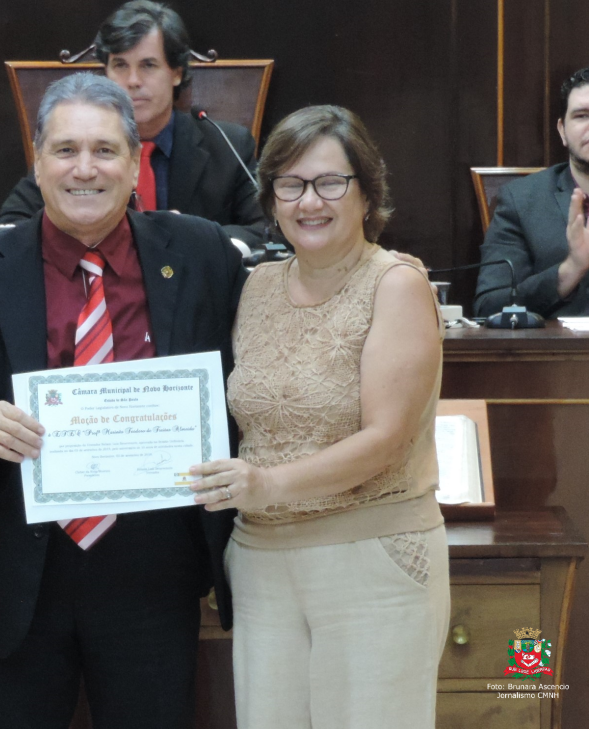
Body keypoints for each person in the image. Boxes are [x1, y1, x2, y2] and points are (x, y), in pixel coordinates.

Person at [0, 72, 246, 729]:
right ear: (36, 163)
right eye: (65, 150)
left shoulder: (205, 255)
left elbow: (246, 376)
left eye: (104, 150)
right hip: (19, 577)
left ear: (134, 163)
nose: (84, 169)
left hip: (154, 572)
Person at [190, 106, 450, 729]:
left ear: (366, 193)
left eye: (331, 182)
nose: (311, 201)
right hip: (260, 564)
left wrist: (266, 484)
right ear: (271, 198)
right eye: (291, 183)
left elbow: (385, 440)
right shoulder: (253, 287)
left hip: (371, 559)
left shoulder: (396, 284)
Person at [0, 0, 275, 254]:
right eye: (120, 65)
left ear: (176, 72)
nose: (132, 81)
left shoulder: (227, 144)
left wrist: (201, 242)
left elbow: (268, 227)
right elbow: (8, 227)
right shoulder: (73, 147)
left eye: (148, 65)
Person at [474, 67, 589, 317]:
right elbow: (489, 306)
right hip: (558, 354)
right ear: (562, 130)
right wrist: (571, 269)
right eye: (582, 115)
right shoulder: (522, 201)